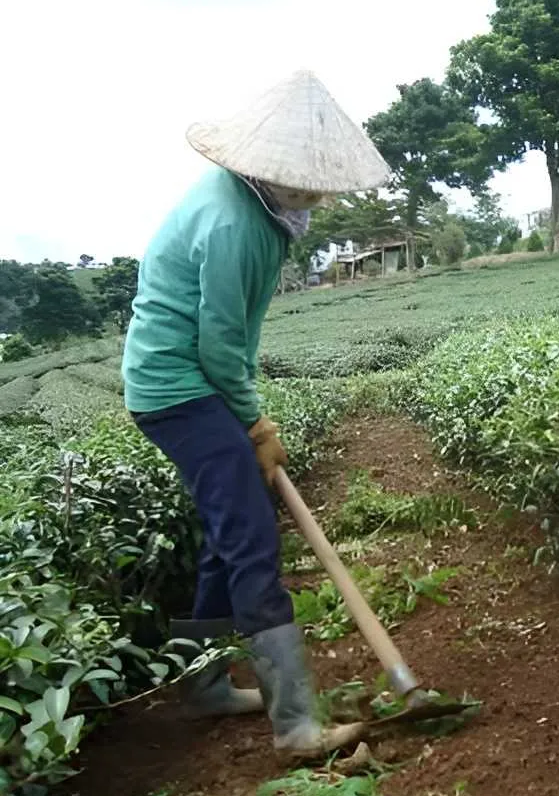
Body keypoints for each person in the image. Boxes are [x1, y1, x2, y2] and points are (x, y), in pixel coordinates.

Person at [121, 70, 392, 757]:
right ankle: (296, 724)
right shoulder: (237, 224)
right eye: (306, 181)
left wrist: (249, 420)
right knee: (251, 541)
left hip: (194, 384)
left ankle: (205, 688)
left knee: (226, 531)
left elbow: (233, 336)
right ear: (272, 171)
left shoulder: (255, 209)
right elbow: (219, 344)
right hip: (178, 390)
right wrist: (256, 422)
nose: (318, 194)